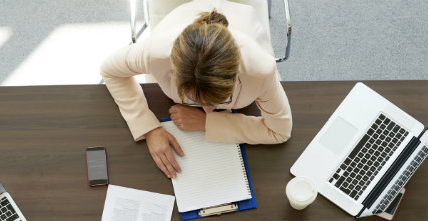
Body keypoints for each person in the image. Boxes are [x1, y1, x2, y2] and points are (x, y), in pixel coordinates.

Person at [100, 0, 292, 179]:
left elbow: (280, 131)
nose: (208, 109)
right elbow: (110, 70)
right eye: (195, 100)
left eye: (217, 101)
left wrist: (207, 122)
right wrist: (149, 128)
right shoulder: (156, 53)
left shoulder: (259, 69)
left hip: (241, 19)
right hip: (180, 20)